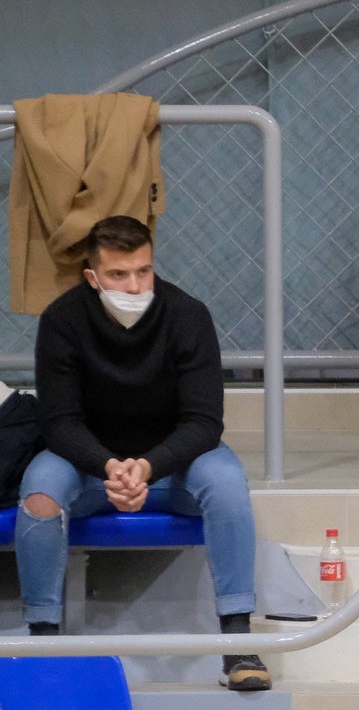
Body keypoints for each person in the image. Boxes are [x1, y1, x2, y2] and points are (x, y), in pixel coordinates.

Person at [17, 216, 270, 692]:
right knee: (39, 494)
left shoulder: (188, 315)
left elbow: (204, 422)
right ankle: (42, 641)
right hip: (91, 465)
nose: (134, 287)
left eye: (143, 271)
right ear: (92, 277)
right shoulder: (62, 320)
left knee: (228, 485)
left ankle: (238, 641)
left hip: (173, 463)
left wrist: (149, 466)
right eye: (118, 274)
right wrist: (109, 466)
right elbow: (60, 423)